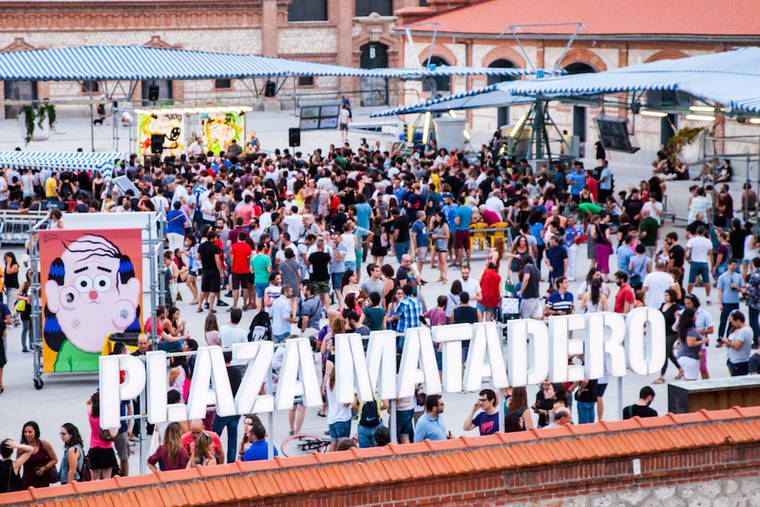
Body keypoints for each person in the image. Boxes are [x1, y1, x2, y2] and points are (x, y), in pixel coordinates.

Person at [213, 351, 242, 464]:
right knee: (232, 438)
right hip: (235, 408)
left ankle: (214, 459)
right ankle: (231, 461)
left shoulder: (219, 371)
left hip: (223, 409)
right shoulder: (237, 370)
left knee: (214, 436)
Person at [653, 289, 683, 384]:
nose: (665, 297)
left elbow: (679, 322)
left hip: (672, 333)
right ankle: (681, 369)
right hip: (663, 332)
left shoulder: (676, 308)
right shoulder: (663, 305)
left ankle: (662, 376)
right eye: (665, 295)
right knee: (669, 353)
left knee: (664, 353)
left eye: (667, 295)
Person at [324, 365, 352, 452]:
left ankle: (329, 463)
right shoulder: (342, 383)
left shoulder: (329, 381)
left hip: (332, 417)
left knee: (333, 443)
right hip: (342, 418)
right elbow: (346, 404)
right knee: (342, 446)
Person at [676, 308, 708, 381]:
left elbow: (675, 326)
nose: (696, 316)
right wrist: (703, 341)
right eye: (695, 314)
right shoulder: (691, 330)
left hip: (682, 356)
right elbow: (690, 343)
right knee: (691, 382)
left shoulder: (681, 327)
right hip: (690, 358)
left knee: (686, 379)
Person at [197, 230, 223, 313]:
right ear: (212, 238)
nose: (216, 238)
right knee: (213, 290)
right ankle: (211, 308)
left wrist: (204, 259)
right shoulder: (215, 247)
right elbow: (217, 260)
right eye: (215, 237)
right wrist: (220, 271)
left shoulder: (201, 246)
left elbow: (197, 257)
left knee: (203, 290)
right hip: (214, 271)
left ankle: (199, 307)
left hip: (205, 270)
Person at [716, 259, 743, 340]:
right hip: (725, 301)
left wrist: (736, 287)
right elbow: (720, 291)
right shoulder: (722, 277)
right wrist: (720, 303)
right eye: (733, 265)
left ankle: (729, 337)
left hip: (735, 301)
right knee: (723, 321)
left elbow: (742, 289)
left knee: (733, 322)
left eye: (736, 265)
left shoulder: (738, 277)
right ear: (729, 265)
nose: (734, 267)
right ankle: (720, 338)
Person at [685, 226, 713, 302]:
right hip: (704, 262)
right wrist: (713, 266)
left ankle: (688, 295)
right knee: (706, 281)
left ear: (697, 232)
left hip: (694, 262)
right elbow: (711, 254)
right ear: (704, 232)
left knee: (691, 280)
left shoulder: (692, 240)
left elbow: (685, 251)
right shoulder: (708, 241)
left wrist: (687, 259)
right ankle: (708, 297)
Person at [722, 310, 753, 376]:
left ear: (738, 320)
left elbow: (737, 346)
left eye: (732, 322)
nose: (732, 324)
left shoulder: (744, 331)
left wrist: (727, 342)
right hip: (736, 360)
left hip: (740, 362)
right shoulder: (744, 330)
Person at [229, 231, 252, 310]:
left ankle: (234, 305)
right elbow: (250, 258)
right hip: (245, 270)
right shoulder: (248, 246)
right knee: (245, 287)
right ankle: (244, 304)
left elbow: (232, 258)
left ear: (238, 237)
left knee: (236, 288)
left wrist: (232, 267)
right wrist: (248, 265)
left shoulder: (234, 246)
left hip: (236, 269)